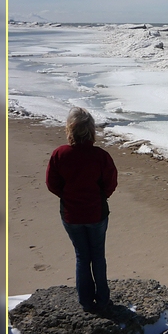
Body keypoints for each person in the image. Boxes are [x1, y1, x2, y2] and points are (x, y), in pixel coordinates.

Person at [46, 107, 118, 313]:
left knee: (82, 256)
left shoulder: (60, 154)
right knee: (97, 255)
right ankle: (103, 300)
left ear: (70, 129)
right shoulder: (100, 156)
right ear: (91, 130)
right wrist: (100, 196)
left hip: (71, 213)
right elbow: (110, 183)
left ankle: (86, 302)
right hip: (96, 212)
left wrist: (68, 196)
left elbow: (52, 184)